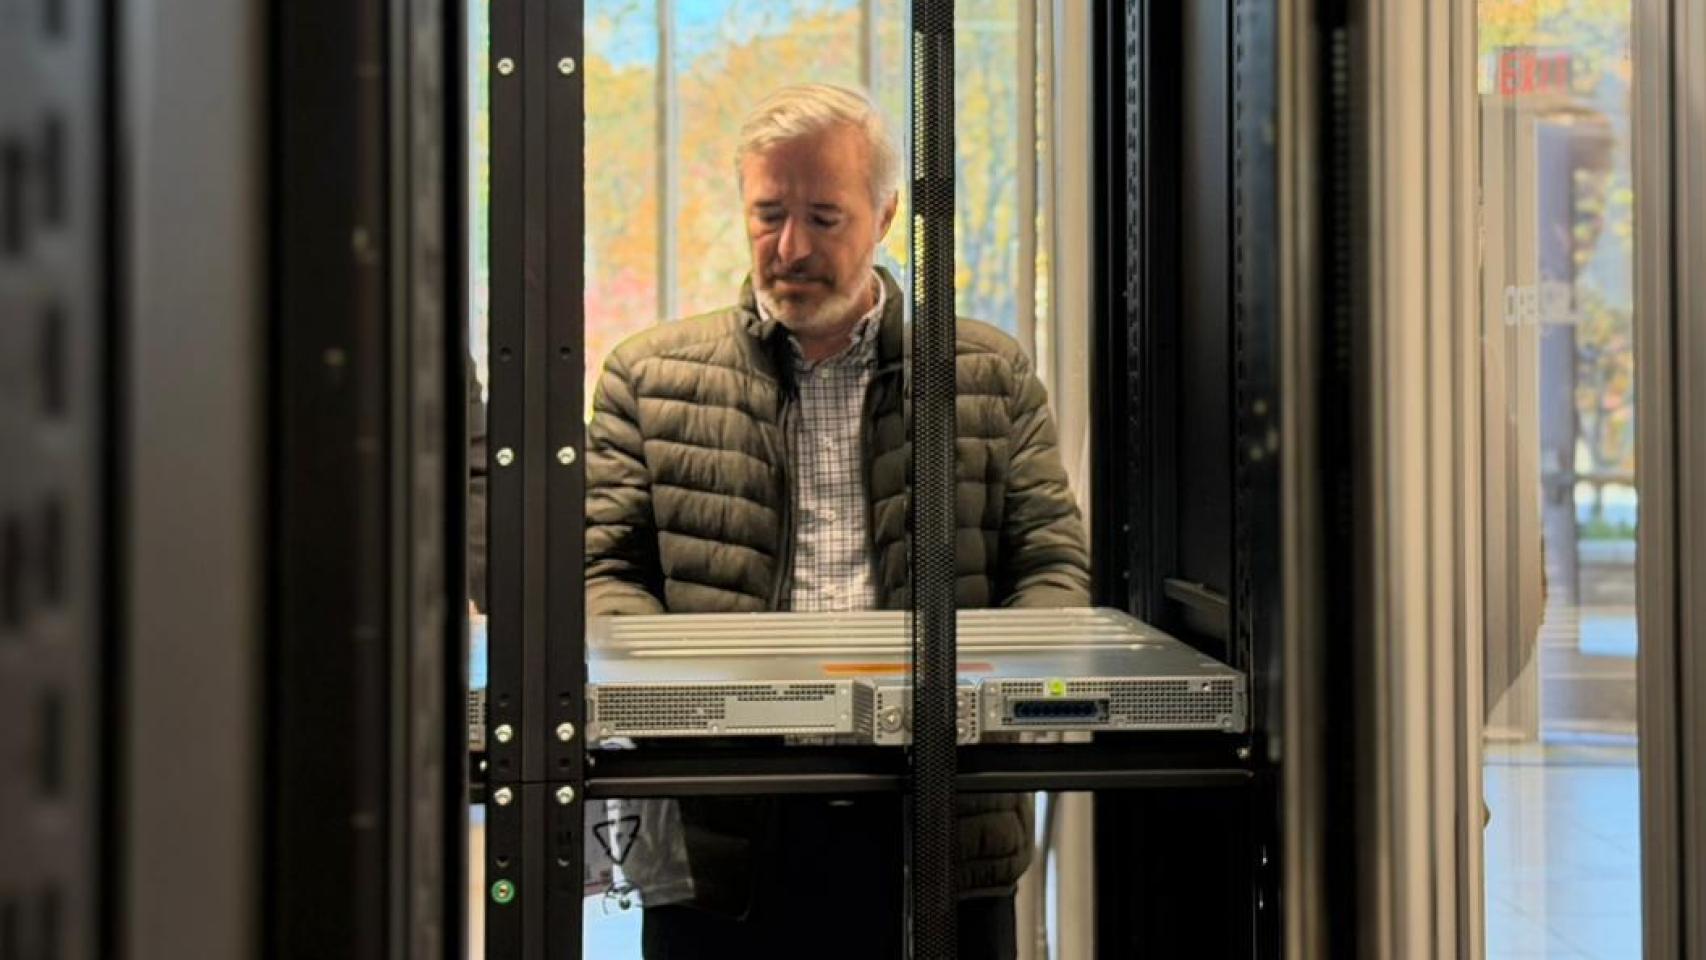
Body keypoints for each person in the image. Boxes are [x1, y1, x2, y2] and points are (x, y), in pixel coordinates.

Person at [584, 83, 1090, 959]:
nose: (790, 248)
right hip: (724, 833)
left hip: (936, 820)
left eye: (824, 217)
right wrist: (689, 696)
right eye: (768, 214)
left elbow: (1051, 566)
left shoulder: (988, 374)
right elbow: (601, 575)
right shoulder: (647, 375)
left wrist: (981, 695)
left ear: (886, 215)